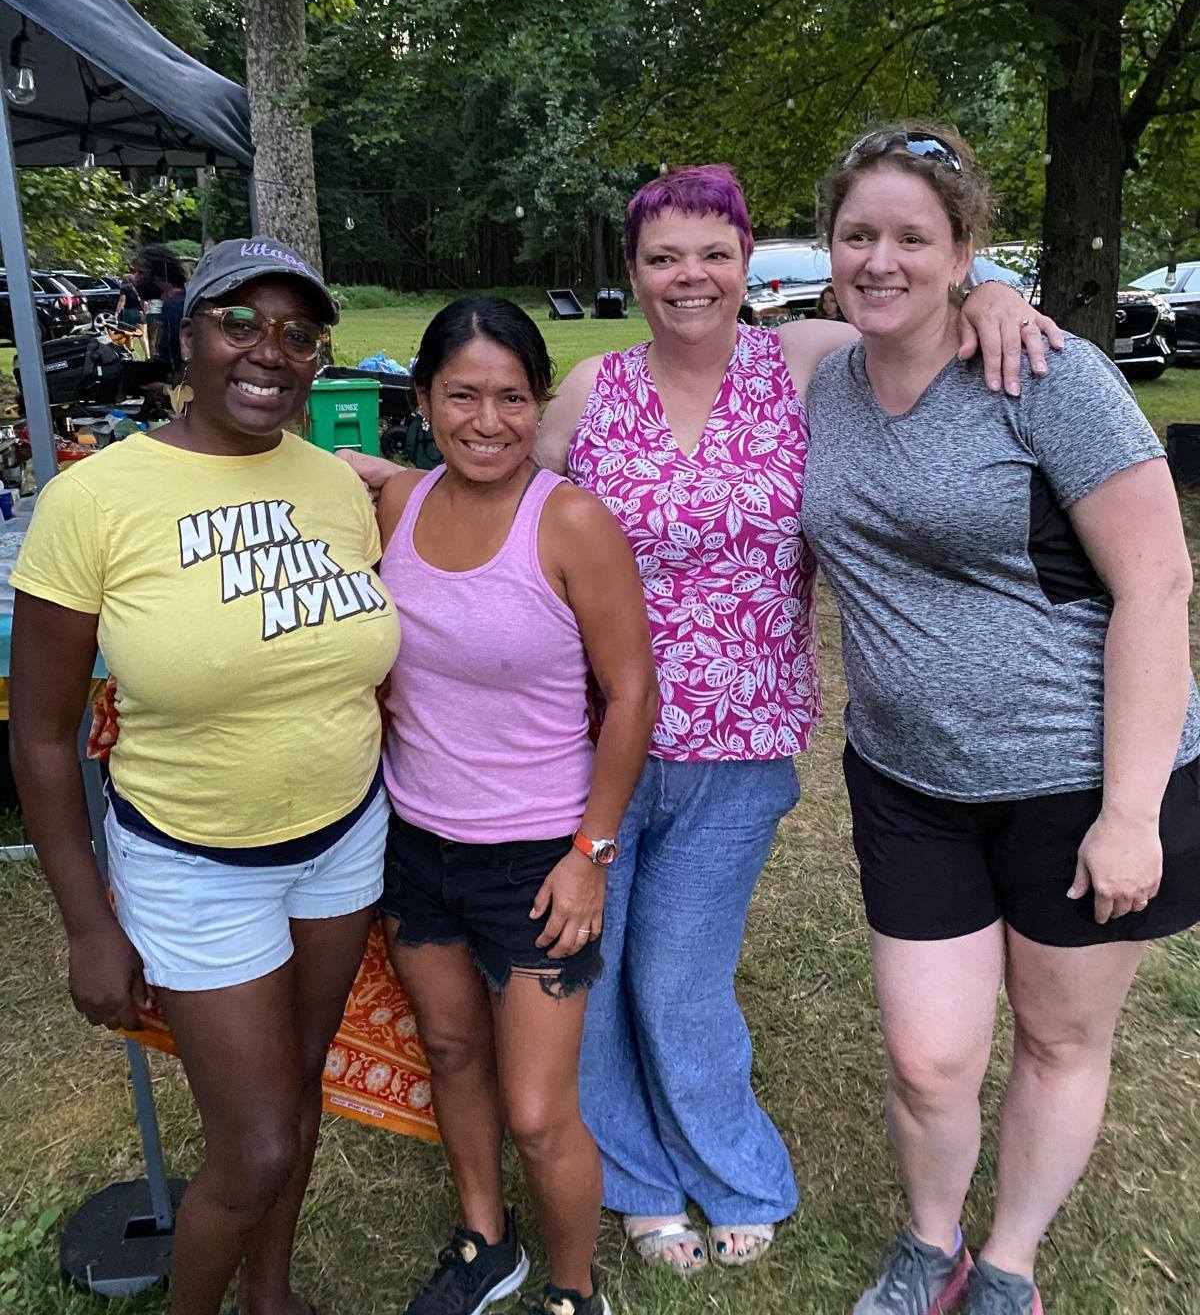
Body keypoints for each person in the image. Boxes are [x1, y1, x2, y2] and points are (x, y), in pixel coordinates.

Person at [530, 164, 1061, 1274]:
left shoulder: (807, 363)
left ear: (751, 269)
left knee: (677, 978)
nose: (691, 277)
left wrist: (1000, 292)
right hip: (592, 748)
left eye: (714, 254)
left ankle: (735, 1171)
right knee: (595, 968)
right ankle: (635, 1178)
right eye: (664, 257)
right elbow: (500, 510)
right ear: (632, 273)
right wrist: (390, 485)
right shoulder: (588, 393)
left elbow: (926, 293)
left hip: (741, 743)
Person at [801, 124, 1200, 1315]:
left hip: (1083, 776)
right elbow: (651, 364)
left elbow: (1158, 582)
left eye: (914, 237)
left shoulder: (1047, 375)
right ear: (827, 249)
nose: (881, 260)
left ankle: (1009, 1263)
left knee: (1060, 1040)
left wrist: (1131, 813)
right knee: (930, 1059)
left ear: (964, 247)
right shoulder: (820, 368)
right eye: (858, 234)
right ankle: (932, 1243)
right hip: (909, 777)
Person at [10, 237, 401, 1315]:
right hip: (194, 863)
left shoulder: (335, 486)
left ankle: (269, 1300)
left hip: (340, 841)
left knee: (301, 1094)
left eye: (297, 332)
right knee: (257, 1138)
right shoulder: (97, 498)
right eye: (239, 323)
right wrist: (88, 924)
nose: (268, 351)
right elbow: (40, 736)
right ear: (186, 337)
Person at [375, 296, 658, 1315]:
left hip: (540, 858)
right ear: (422, 399)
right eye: (461, 394)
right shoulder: (397, 506)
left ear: (539, 404)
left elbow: (632, 694)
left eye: (510, 397)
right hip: (416, 846)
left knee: (538, 1109)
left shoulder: (571, 519)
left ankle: (574, 1289)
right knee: (452, 1052)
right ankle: (485, 1239)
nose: (486, 420)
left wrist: (591, 851)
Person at [133, 244, 188, 370]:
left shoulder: (176, 307)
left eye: (141, 273)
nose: (135, 278)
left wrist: (167, 388)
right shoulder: (178, 302)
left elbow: (182, 360)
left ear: (161, 276)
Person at [114, 270, 149, 357]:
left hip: (128, 312)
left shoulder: (124, 288)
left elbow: (122, 301)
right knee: (143, 335)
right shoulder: (139, 288)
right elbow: (144, 301)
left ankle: (131, 353)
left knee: (129, 335)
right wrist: (145, 312)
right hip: (139, 312)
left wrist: (117, 312)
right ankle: (147, 355)